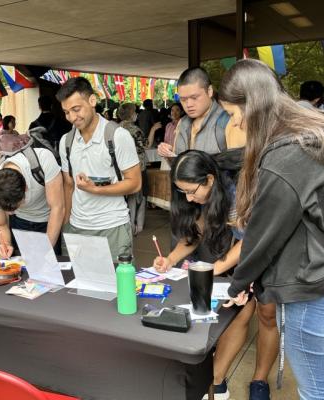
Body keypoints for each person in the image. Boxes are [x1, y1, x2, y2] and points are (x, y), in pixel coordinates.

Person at [221, 59, 324, 400]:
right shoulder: (308, 134)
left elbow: (264, 235)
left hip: (310, 292)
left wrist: (237, 284)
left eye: (235, 115)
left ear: (252, 104)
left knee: (315, 390)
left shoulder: (287, 154)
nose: (236, 124)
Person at [154, 150, 277, 400]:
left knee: (242, 312)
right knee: (211, 312)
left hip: (255, 249)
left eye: (191, 191)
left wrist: (215, 270)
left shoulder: (236, 192)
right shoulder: (196, 197)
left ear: (209, 180)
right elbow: (194, 235)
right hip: (222, 252)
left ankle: (217, 380)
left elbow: (248, 242)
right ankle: (211, 377)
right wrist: (170, 259)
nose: (188, 198)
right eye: (182, 192)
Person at [57, 77, 141, 261]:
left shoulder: (117, 136)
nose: (72, 117)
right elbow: (68, 186)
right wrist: (66, 225)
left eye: (76, 109)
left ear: (92, 101)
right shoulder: (66, 142)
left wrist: (96, 189)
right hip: (77, 227)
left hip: (112, 226)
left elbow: (134, 184)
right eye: (66, 112)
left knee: (118, 287)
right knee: (75, 288)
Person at [0, 144, 64, 258]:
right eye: (6, 210)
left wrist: (46, 251)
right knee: (24, 265)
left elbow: (57, 207)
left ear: (25, 188)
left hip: (49, 219)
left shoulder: (43, 159)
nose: (10, 213)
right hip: (20, 222)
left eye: (15, 207)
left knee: (49, 264)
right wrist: (5, 244)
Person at [157, 67, 245, 160]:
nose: (188, 104)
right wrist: (169, 155)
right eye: (183, 99)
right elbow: (179, 168)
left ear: (210, 91)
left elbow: (240, 170)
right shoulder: (182, 123)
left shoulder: (230, 122)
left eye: (194, 97)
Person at [118, 103, 154, 235]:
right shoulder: (135, 129)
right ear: (131, 114)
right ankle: (137, 225)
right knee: (140, 196)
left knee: (127, 197)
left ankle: (128, 225)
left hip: (122, 167)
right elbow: (147, 145)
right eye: (135, 112)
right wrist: (154, 129)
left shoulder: (117, 128)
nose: (137, 114)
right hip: (137, 166)